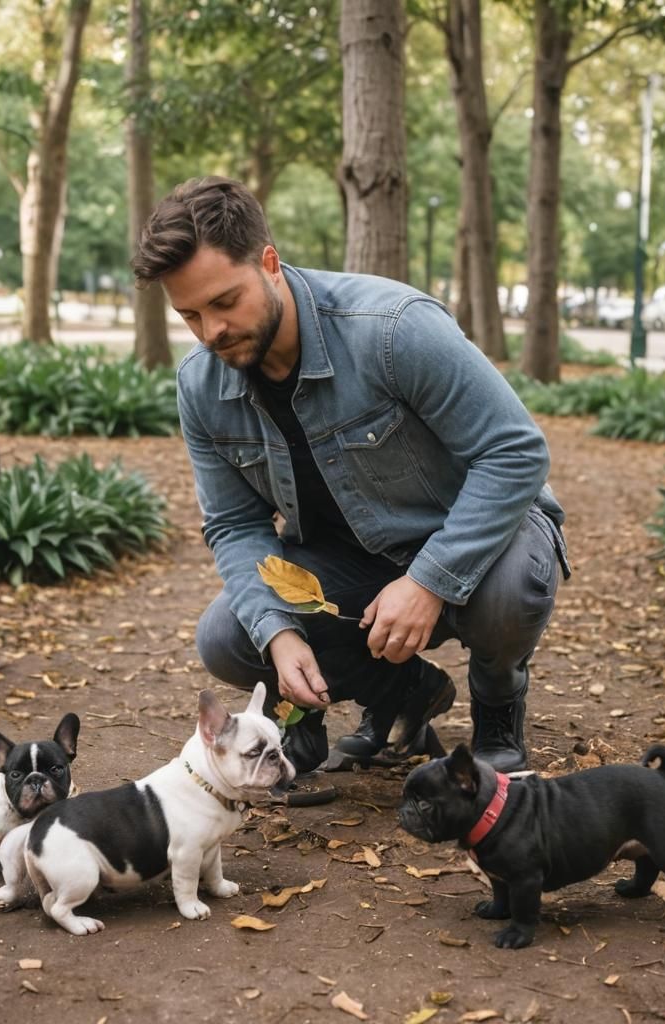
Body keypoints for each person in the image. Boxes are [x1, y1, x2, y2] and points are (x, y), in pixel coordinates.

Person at [131, 176, 569, 775]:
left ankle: (498, 702)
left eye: (226, 302)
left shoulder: (392, 328)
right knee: (231, 634)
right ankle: (402, 693)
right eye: (190, 315)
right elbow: (234, 525)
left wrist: (430, 580)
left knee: (509, 590)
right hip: (349, 562)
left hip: (480, 537)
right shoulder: (200, 383)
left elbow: (515, 452)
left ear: (270, 263)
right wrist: (280, 634)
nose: (212, 332)